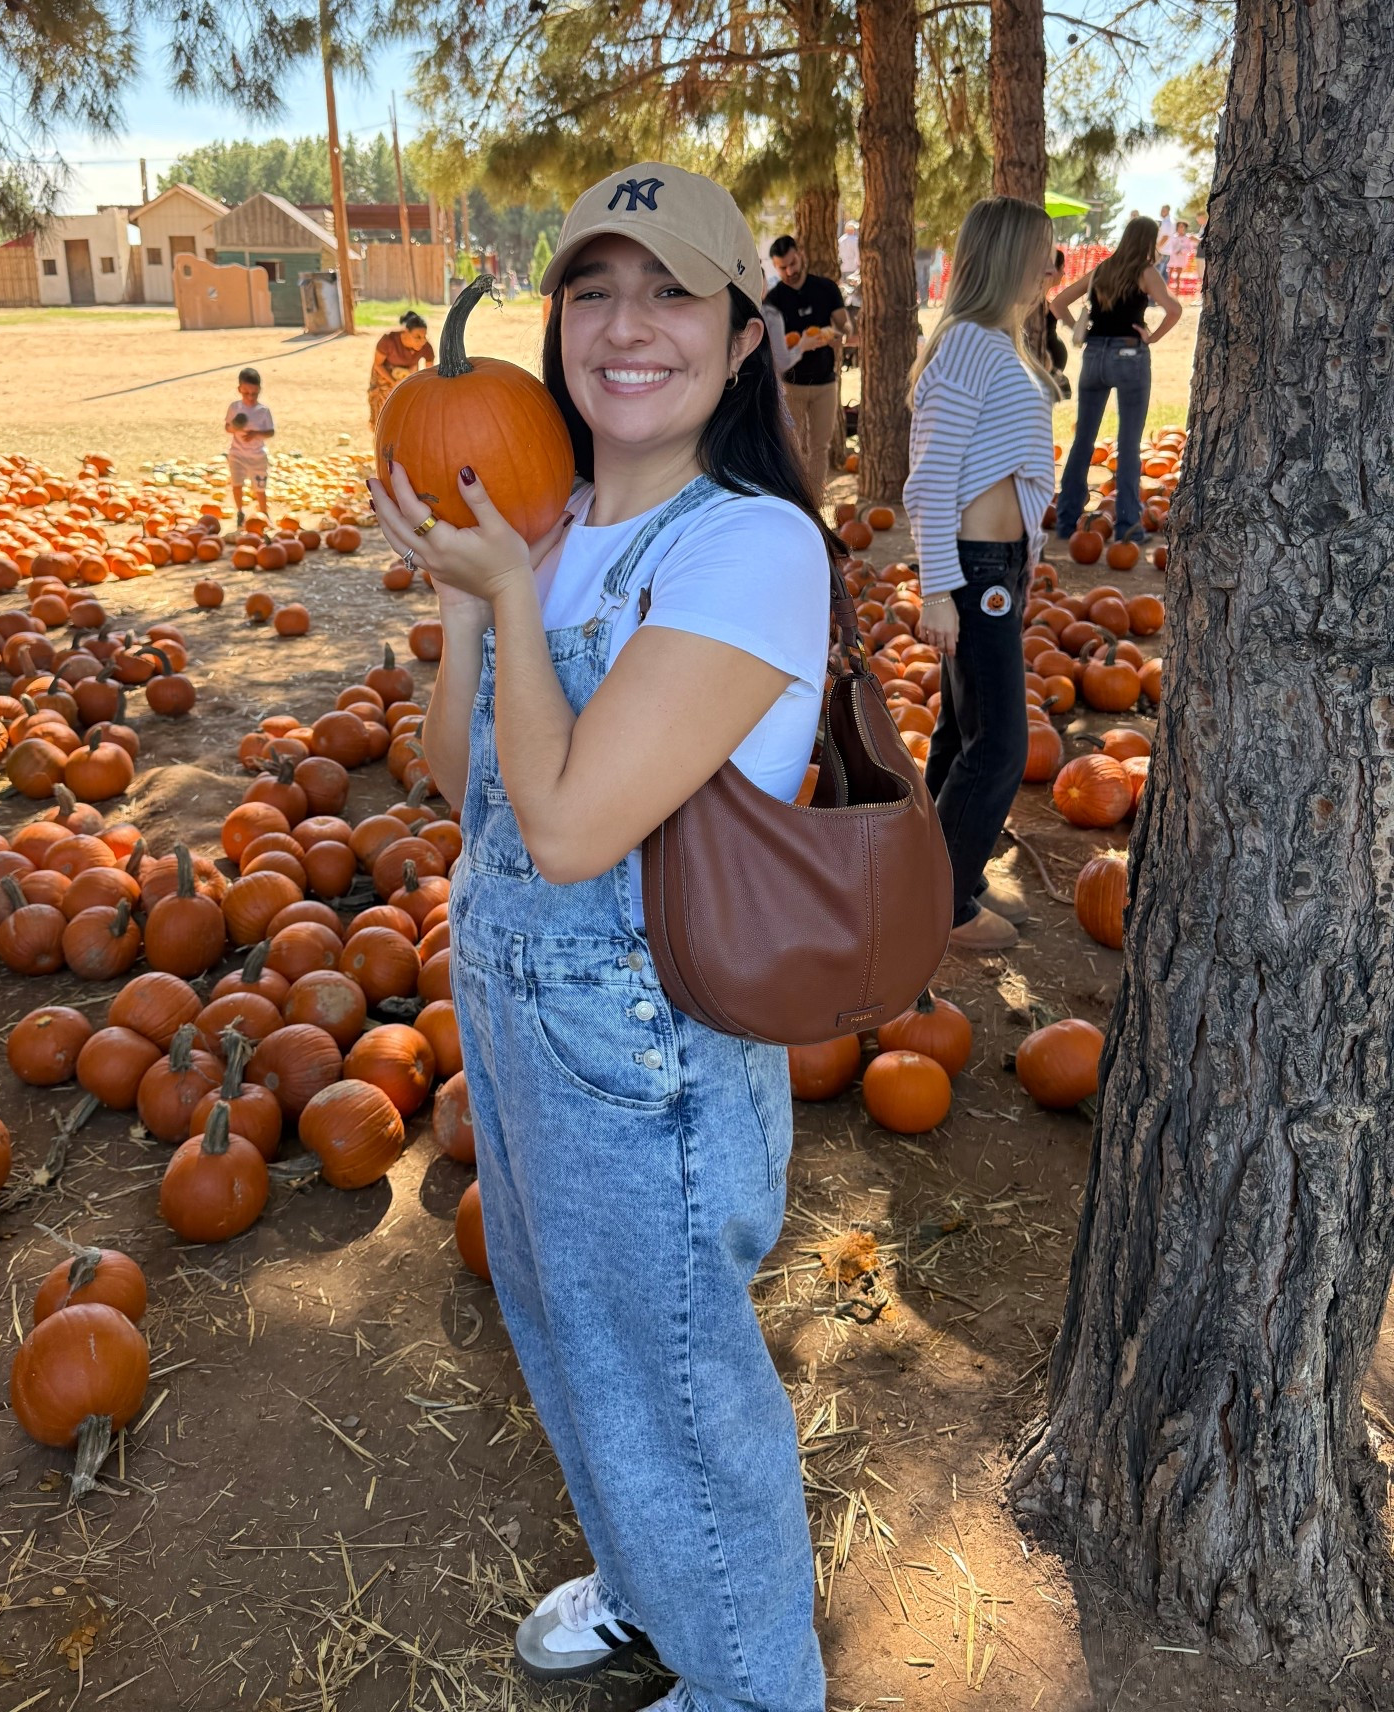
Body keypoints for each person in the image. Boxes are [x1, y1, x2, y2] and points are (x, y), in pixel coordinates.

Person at [372, 160, 831, 1712]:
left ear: (742, 332)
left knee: (684, 1397)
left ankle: (756, 1688)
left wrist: (507, 598)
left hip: (652, 1058)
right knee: (572, 1341)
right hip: (516, 1016)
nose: (627, 327)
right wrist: (470, 591)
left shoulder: (749, 548)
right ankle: (652, 1590)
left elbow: (571, 834)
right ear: (556, 321)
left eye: (671, 292)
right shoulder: (554, 530)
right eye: (594, 292)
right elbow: (467, 778)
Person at [903, 196, 1059, 952]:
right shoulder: (970, 344)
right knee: (999, 743)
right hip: (973, 569)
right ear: (1006, 259)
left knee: (961, 733)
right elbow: (930, 480)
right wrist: (938, 588)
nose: (1051, 267)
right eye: (1042, 253)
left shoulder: (994, 344)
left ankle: (929, 879)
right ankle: (943, 909)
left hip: (995, 566)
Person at [1051, 215, 1181, 543]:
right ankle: (1128, 526)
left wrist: (1078, 329)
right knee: (1128, 440)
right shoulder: (1146, 272)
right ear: (1149, 241)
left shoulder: (1101, 270)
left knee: (1083, 439)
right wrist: (1152, 338)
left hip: (1094, 356)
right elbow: (1174, 309)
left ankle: (1066, 520)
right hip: (1129, 355)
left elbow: (1058, 303)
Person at [765, 234, 848, 501]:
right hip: (791, 385)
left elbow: (844, 326)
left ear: (800, 255)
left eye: (792, 263)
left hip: (825, 382)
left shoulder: (825, 288)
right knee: (792, 449)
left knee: (820, 448)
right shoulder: (774, 302)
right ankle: (795, 502)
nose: (789, 271)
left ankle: (814, 503)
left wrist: (837, 335)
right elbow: (775, 354)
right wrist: (802, 345)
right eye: (782, 267)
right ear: (775, 268)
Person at [369, 309, 433, 432]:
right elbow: (378, 365)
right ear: (405, 332)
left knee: (406, 410)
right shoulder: (388, 341)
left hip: (408, 376)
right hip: (384, 374)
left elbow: (429, 372)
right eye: (417, 337)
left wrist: (420, 388)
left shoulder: (426, 347)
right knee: (382, 413)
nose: (422, 341)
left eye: (424, 336)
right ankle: (379, 439)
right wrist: (394, 383)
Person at [224, 367, 273, 524]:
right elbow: (227, 428)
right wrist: (235, 427)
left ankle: (264, 513)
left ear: (259, 390)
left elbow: (270, 432)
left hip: (257, 455)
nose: (250, 397)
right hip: (237, 454)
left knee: (260, 487)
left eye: (254, 393)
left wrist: (255, 434)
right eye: (246, 393)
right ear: (239, 389)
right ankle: (240, 512)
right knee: (237, 484)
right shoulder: (234, 408)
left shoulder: (263, 411)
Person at [1041, 250, 1072, 399]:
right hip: (1042, 370)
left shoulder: (1043, 299)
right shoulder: (1034, 301)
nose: (1064, 273)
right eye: (1062, 268)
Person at [1155, 202, 1175, 284]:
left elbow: (1165, 237)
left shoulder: (1166, 222)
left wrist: (1157, 248)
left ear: (1168, 211)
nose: (1161, 212)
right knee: (1163, 274)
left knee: (1157, 274)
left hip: (1162, 251)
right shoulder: (1169, 221)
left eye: (1163, 210)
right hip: (1166, 251)